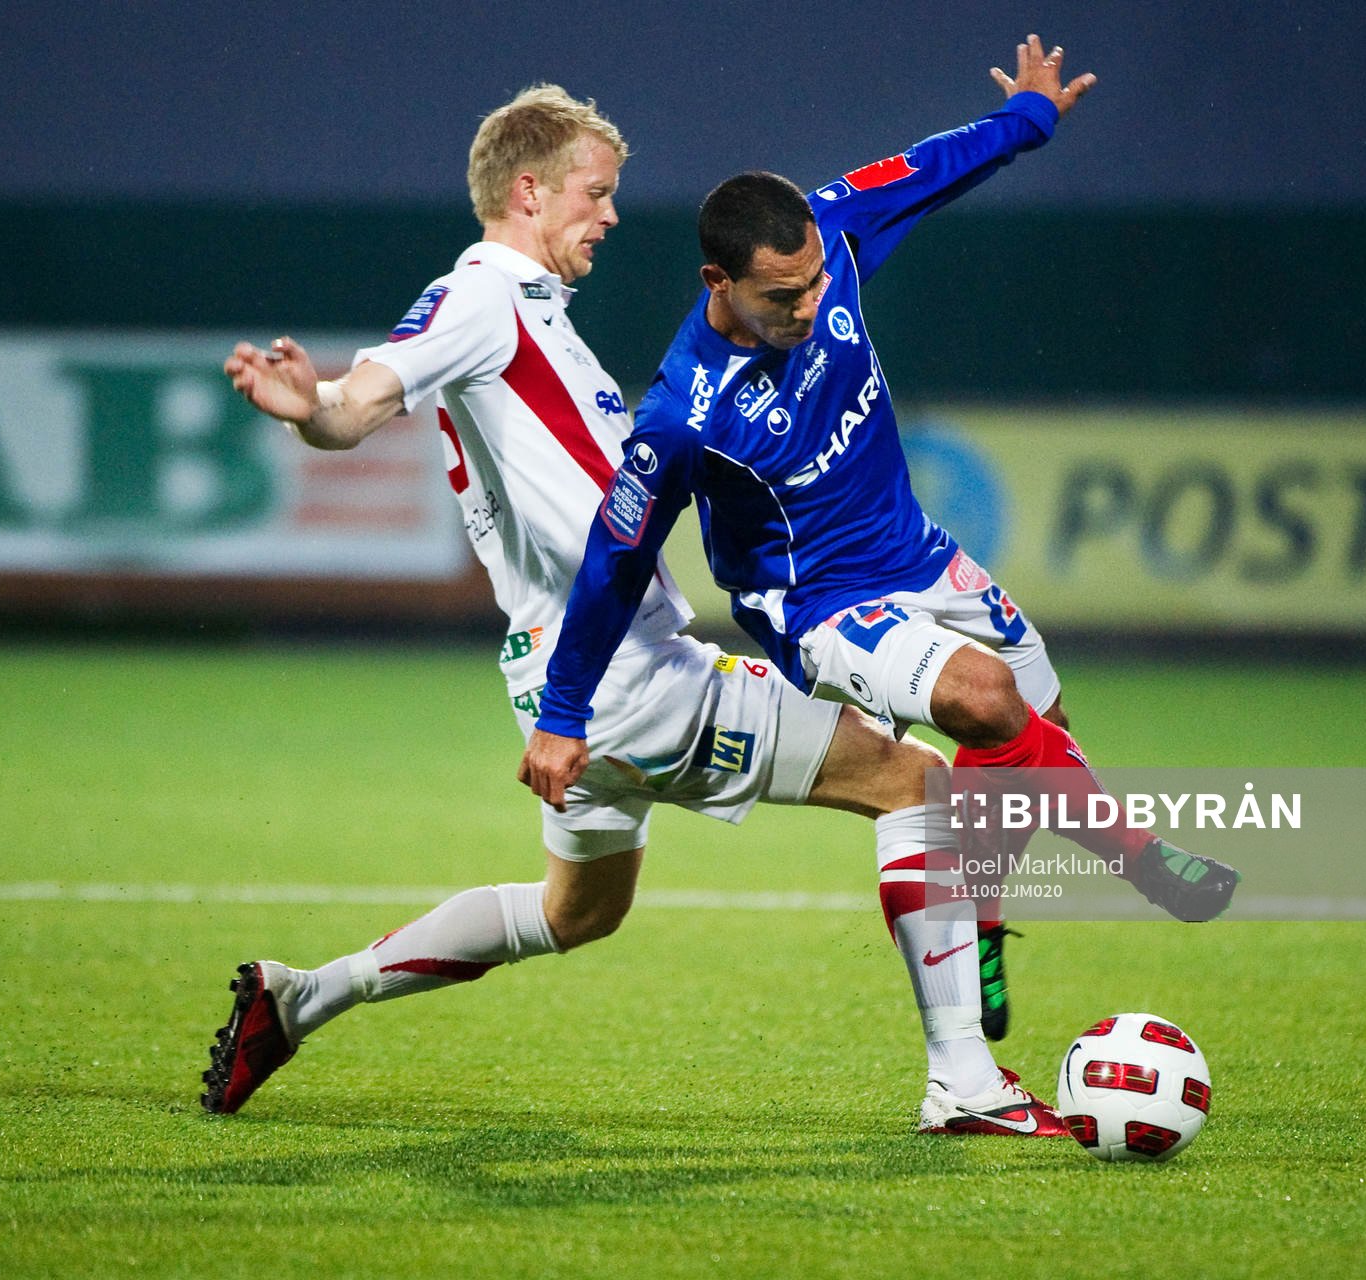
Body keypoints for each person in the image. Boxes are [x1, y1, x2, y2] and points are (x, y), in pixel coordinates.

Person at [205, 84, 1063, 1137]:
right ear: (527, 191)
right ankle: (964, 1081)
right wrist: (321, 412)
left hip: (556, 675)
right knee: (917, 783)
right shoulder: (486, 295)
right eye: (592, 193)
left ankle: (303, 995)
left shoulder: (524, 315)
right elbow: (370, 393)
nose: (608, 216)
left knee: (574, 912)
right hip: (621, 677)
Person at [520, 39, 1241, 1043]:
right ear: (716, 281)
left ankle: (977, 916)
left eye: (816, 281)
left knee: (1040, 721)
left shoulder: (832, 229)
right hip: (817, 606)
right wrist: (562, 710)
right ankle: (1142, 860)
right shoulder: (684, 416)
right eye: (782, 297)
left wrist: (1027, 120)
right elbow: (616, 556)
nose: (810, 305)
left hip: (914, 550)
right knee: (986, 703)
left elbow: (930, 167)